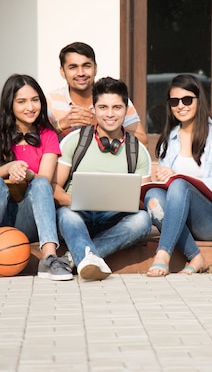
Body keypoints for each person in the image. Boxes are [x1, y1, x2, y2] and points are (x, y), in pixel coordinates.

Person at [0, 74, 73, 280]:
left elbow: (44, 177)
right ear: (10, 104)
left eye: (35, 100)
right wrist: (9, 167)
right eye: (21, 101)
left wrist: (29, 174)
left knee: (42, 183)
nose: (30, 107)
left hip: (24, 219)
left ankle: (49, 258)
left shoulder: (48, 135)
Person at [53, 77, 152, 281]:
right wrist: (75, 200)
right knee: (66, 216)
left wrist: (128, 202)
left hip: (113, 220)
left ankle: (73, 258)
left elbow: (144, 198)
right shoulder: (75, 140)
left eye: (117, 107)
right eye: (103, 107)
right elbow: (54, 189)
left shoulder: (137, 150)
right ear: (94, 110)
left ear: (126, 110)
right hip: (76, 214)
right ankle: (87, 258)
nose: (110, 114)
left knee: (143, 221)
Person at [144, 74, 212, 277]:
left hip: (209, 218)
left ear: (198, 100)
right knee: (152, 197)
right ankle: (195, 256)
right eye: (175, 101)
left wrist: (178, 177)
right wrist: (162, 179)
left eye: (187, 100)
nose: (181, 106)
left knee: (179, 185)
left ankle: (163, 254)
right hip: (178, 216)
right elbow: (166, 187)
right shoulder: (169, 139)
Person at [45, 41, 148, 146]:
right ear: (62, 72)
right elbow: (32, 144)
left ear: (95, 68)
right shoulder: (49, 101)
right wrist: (60, 125)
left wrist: (101, 124)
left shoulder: (114, 99)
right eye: (73, 67)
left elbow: (144, 143)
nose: (81, 73)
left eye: (86, 66)